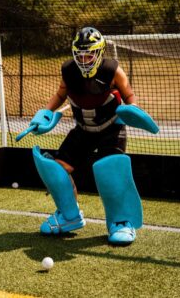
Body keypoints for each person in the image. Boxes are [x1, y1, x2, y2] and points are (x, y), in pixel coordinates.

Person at [29, 27, 145, 246]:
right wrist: (44, 115)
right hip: (83, 129)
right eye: (79, 54)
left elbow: (129, 95)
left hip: (111, 128)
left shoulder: (113, 70)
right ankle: (69, 217)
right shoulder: (68, 70)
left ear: (99, 52)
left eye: (89, 54)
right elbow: (60, 94)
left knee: (111, 170)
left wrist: (133, 109)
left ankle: (121, 222)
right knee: (57, 169)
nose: (83, 58)